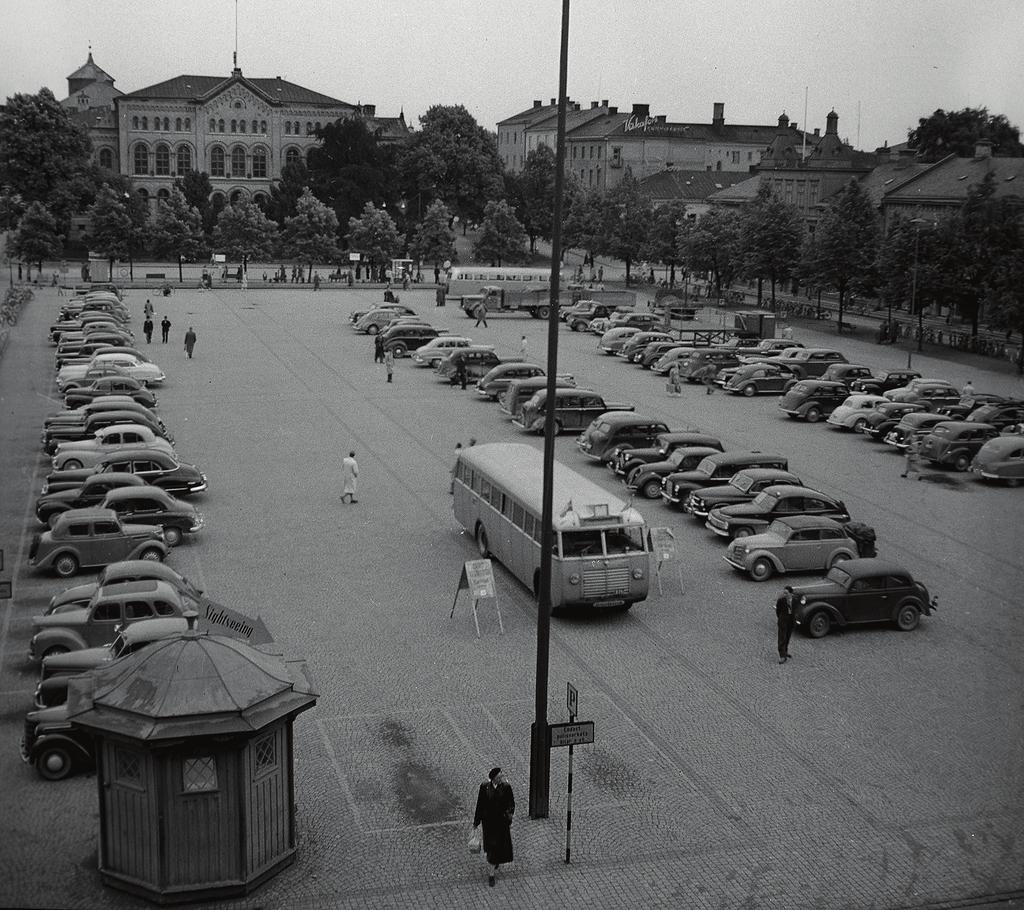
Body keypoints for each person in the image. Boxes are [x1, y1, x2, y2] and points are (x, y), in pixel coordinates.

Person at [473, 767, 514, 887]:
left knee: (497, 847)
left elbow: (511, 803)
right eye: (500, 776)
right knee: (492, 847)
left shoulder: (506, 787)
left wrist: (508, 816)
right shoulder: (485, 787)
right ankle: (491, 874)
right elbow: (480, 804)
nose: (502, 777)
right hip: (489, 824)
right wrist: (476, 822)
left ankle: (494, 864)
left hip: (501, 823)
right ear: (494, 778)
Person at [775, 587, 795, 664]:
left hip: (791, 621)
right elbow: (778, 611)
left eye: (786, 593)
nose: (784, 594)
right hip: (783, 621)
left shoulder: (795, 600)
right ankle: (782, 656)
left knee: (787, 637)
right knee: (782, 638)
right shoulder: (781, 600)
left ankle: (785, 651)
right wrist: (781, 618)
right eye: (784, 593)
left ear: (791, 594)